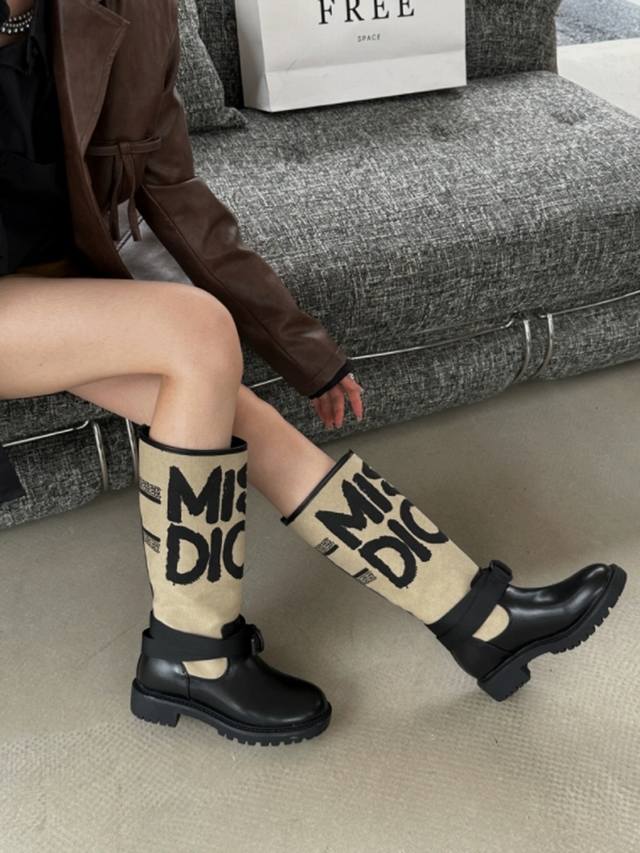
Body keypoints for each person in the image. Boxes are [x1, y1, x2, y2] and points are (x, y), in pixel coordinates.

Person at [0, 0, 627, 747]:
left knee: (226, 401)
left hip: (48, 288)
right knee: (195, 331)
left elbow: (170, 188)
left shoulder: (131, 8)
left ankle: (479, 619)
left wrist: (304, 349)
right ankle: (192, 652)